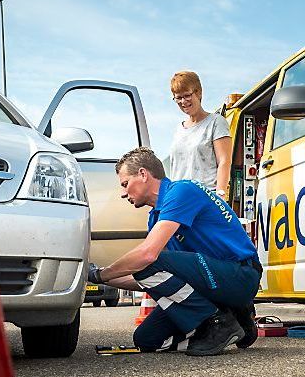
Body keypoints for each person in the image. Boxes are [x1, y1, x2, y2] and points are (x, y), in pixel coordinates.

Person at [87, 147, 260, 356]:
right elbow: (154, 277)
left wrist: (100, 273)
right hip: (210, 283)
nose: (123, 193)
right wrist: (97, 279)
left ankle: (218, 323)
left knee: (149, 260)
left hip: (240, 276)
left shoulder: (182, 191)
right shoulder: (156, 218)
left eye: (125, 184)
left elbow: (148, 258)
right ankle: (236, 322)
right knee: (146, 339)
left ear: (143, 174)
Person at [168, 71, 232, 197]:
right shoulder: (178, 130)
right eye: (178, 98)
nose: (183, 101)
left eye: (187, 95)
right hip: (179, 197)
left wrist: (220, 199)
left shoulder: (216, 122)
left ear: (199, 93)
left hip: (205, 197)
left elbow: (224, 161)